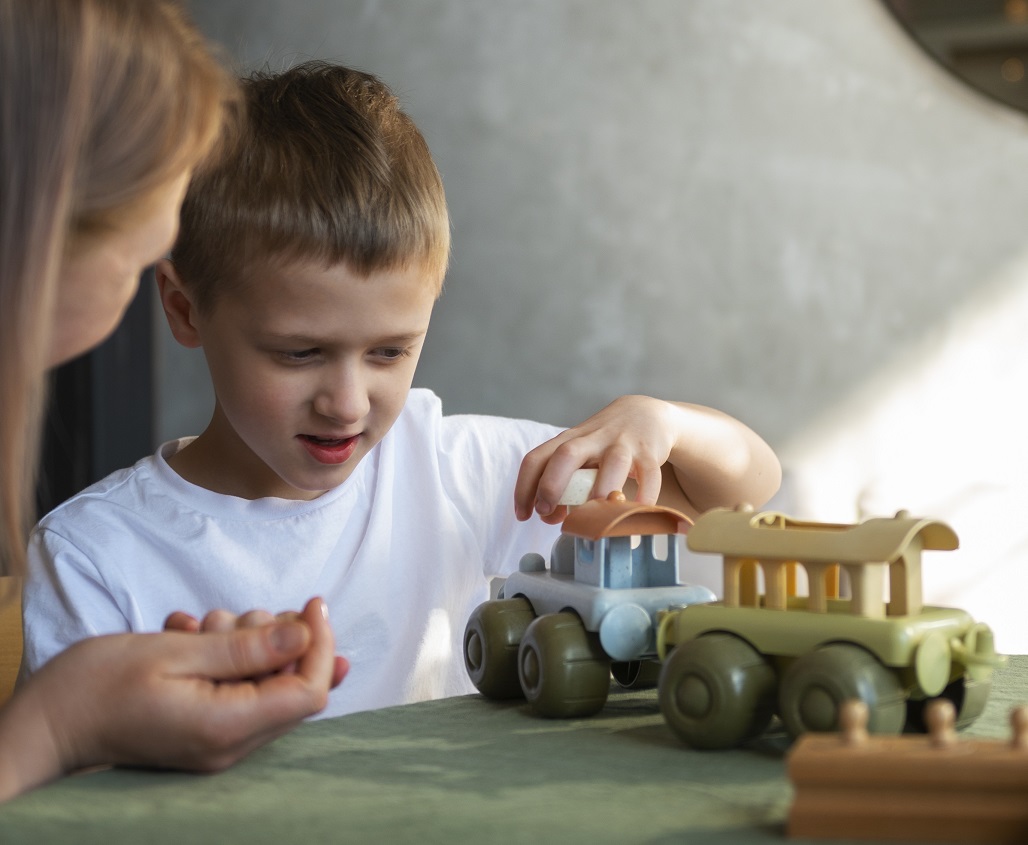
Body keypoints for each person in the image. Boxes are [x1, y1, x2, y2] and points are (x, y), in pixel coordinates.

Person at [20, 61, 782, 718]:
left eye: (391, 350)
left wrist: (663, 421)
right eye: (299, 353)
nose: (347, 401)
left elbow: (741, 491)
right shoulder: (98, 554)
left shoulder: (461, 470)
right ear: (185, 308)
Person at [0, 0, 346, 803]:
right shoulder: (89, 544)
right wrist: (63, 723)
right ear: (37, 238)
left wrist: (74, 709)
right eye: (139, 259)